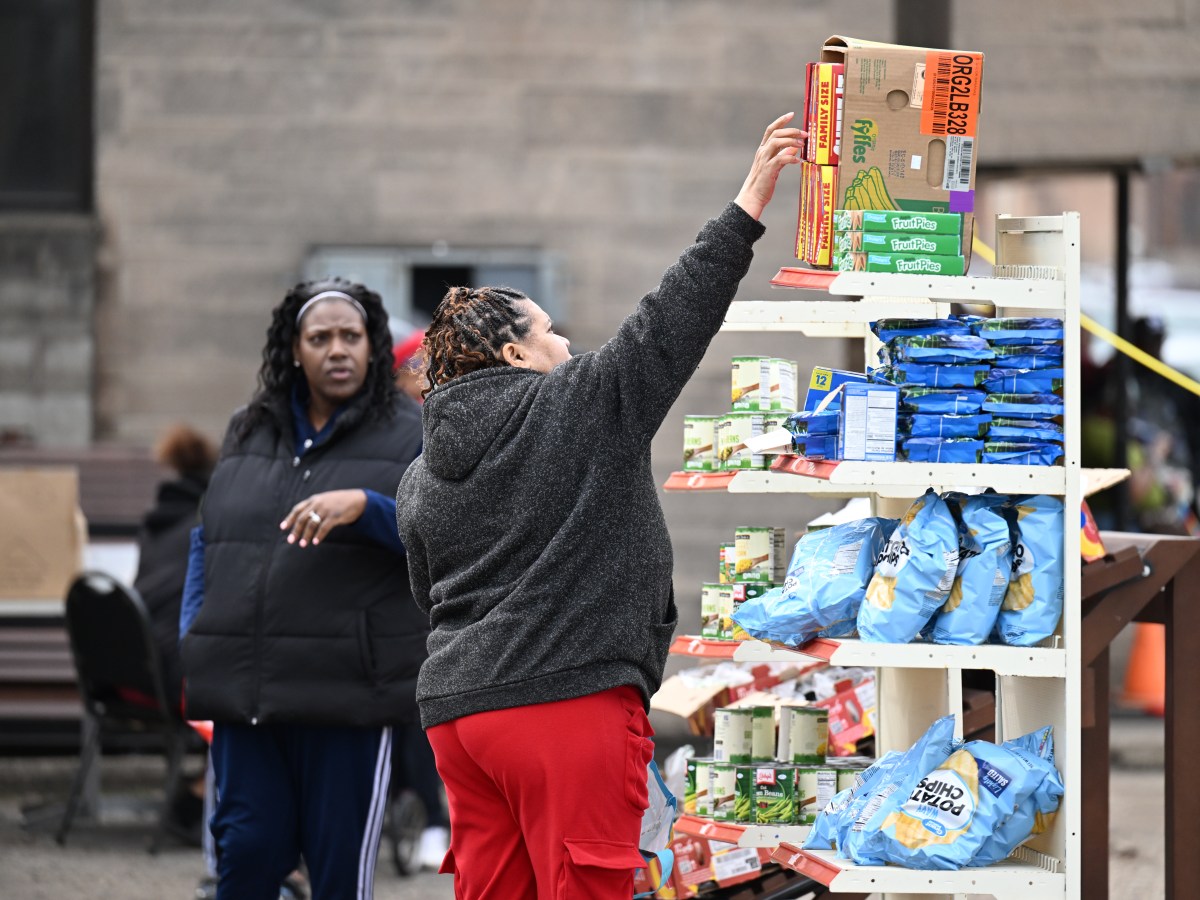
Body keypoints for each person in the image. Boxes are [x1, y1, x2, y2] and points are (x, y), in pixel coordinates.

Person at [395, 113, 803, 898]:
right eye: (551, 332)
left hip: (456, 717)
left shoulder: (419, 473)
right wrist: (749, 204)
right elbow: (669, 322)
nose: (568, 345)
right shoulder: (576, 404)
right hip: (565, 706)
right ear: (514, 353)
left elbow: (428, 592)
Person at [179, 278, 427, 899]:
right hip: (248, 694)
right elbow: (210, 539)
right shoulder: (247, 429)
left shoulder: (411, 432)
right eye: (320, 338)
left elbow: (445, 537)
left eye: (351, 336)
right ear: (294, 349)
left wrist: (368, 506)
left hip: (348, 695)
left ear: (373, 346)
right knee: (245, 858)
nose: (337, 349)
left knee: (338, 876)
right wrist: (195, 633)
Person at [132, 423, 217, 845]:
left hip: (133, 670)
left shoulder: (156, 521)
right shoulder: (208, 523)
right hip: (175, 677)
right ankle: (202, 795)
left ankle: (200, 793)